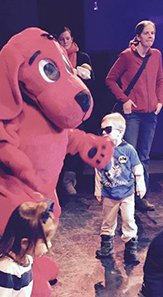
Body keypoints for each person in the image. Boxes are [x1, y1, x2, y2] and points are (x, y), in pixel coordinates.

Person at [106, 19, 163, 212]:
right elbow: (110, 79)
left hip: (150, 114)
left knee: (144, 156)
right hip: (132, 115)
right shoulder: (126, 56)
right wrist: (124, 100)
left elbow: (160, 80)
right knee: (128, 156)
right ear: (138, 36)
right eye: (147, 33)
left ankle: (141, 197)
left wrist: (160, 101)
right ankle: (124, 197)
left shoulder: (156, 55)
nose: (150, 36)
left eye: (153, 33)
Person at [94, 112, 146, 264]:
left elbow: (137, 169)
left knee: (129, 220)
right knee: (108, 220)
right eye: (102, 130)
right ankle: (106, 247)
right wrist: (98, 190)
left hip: (126, 193)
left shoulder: (128, 150)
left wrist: (140, 185)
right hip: (109, 193)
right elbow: (98, 171)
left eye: (108, 129)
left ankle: (130, 250)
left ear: (120, 131)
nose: (104, 133)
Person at [57, 26, 94, 196]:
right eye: (62, 39)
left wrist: (73, 71)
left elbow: (87, 74)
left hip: (77, 109)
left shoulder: (82, 56)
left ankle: (69, 180)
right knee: (59, 146)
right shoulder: (54, 57)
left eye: (67, 38)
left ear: (72, 39)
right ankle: (57, 181)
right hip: (58, 109)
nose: (65, 42)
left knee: (75, 145)